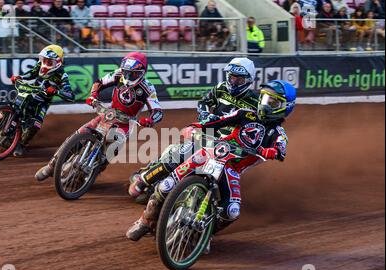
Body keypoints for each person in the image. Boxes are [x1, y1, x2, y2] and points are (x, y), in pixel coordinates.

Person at [126, 80, 296, 243]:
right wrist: (196, 126)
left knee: (232, 211)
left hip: (232, 170)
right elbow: (218, 121)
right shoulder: (245, 113)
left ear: (284, 108)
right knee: (166, 185)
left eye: (272, 103)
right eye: (265, 98)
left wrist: (270, 151)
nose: (266, 104)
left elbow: (281, 150)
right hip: (211, 151)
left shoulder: (278, 133)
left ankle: (204, 233)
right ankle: (144, 221)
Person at [128, 57, 258, 203]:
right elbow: (204, 102)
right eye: (231, 77)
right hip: (209, 132)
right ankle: (147, 173)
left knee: (216, 176)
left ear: (248, 80)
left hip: (228, 143)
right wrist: (205, 115)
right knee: (178, 152)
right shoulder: (221, 88)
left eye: (239, 80)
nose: (234, 82)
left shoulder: (255, 103)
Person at [34, 52, 163, 181]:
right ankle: (51, 166)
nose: (128, 76)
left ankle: (94, 172)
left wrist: (150, 120)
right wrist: (93, 95)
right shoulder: (119, 74)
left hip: (126, 123)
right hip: (108, 114)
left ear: (142, 72)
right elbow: (99, 82)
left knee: (111, 149)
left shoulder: (148, 88)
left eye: (133, 73)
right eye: (126, 72)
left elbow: (157, 111)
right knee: (78, 134)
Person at [4, 45, 75, 156]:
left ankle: (22, 145)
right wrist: (20, 77)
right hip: (31, 92)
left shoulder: (62, 75)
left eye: (49, 62)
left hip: (43, 102)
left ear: (58, 62)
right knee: (11, 108)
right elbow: (32, 73)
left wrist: (56, 91)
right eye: (44, 61)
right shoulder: (40, 65)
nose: (45, 64)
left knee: (35, 124)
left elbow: (71, 96)